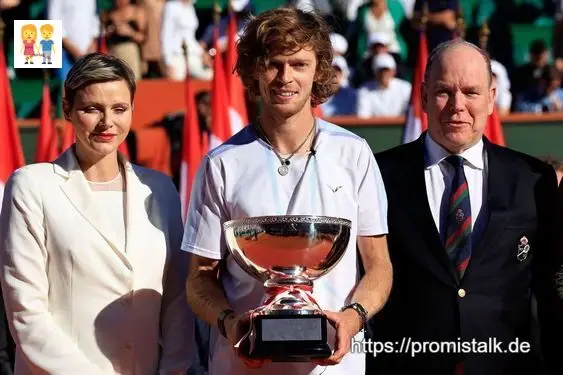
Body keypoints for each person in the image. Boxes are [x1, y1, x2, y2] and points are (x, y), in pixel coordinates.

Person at [182, 6, 392, 375]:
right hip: (242, 366)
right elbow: (200, 277)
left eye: (299, 64)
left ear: (319, 71)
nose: (285, 77)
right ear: (254, 71)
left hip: (334, 368)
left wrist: (351, 319)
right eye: (273, 63)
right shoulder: (221, 162)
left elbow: (378, 266)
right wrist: (230, 322)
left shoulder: (354, 153)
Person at [366, 39, 563, 375]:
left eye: (471, 92)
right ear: (424, 94)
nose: (457, 105)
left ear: (491, 97)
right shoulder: (376, 175)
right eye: (445, 91)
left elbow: (550, 290)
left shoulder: (534, 180)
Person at [0, 53, 195, 374]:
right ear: (68, 111)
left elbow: (176, 300)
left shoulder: (160, 188)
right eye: (92, 109)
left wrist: (172, 369)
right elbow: (27, 312)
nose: (107, 122)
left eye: (119, 109)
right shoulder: (31, 185)